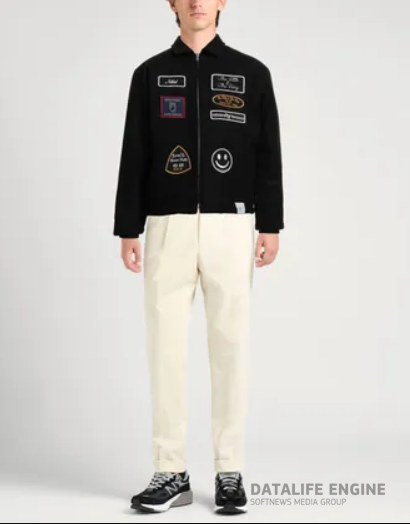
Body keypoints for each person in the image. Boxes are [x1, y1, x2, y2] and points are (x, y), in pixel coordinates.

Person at [112, 0, 284, 515]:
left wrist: (270, 222)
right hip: (167, 227)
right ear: (172, 3)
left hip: (232, 226)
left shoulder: (251, 74)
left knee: (230, 346)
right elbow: (134, 152)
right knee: (164, 349)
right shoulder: (149, 75)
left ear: (221, 2)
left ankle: (230, 471)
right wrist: (128, 227)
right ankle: (171, 471)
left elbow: (267, 152)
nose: (196, 3)